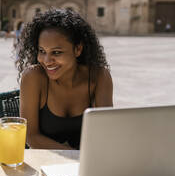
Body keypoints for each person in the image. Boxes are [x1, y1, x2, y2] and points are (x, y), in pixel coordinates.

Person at [16, 9, 113, 150]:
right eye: (42, 51)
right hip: (45, 163)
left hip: (85, 165)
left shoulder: (99, 77)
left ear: (78, 49)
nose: (47, 61)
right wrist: (76, 157)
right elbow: (31, 136)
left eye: (56, 52)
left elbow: (106, 131)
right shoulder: (33, 77)